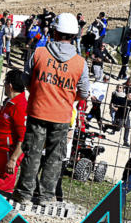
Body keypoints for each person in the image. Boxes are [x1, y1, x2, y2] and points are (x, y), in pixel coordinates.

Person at [11, 13, 90, 207]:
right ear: (74, 35)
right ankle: (46, 197)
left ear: (54, 32)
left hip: (37, 111)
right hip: (62, 116)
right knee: (55, 157)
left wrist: (39, 91)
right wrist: (68, 98)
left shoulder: (39, 53)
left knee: (32, 153)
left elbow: (26, 80)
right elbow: (83, 92)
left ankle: (24, 194)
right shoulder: (80, 63)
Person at [0, 70, 28, 196]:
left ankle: (0, 208)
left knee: (1, 191)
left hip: (8, 155)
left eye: (4, 83)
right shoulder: (8, 102)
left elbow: (23, 138)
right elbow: (1, 125)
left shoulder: (20, 106)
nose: (3, 85)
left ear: (10, 86)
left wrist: (13, 160)